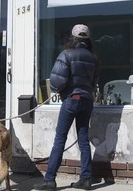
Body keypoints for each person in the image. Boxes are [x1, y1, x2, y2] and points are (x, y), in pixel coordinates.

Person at [34, 24, 99, 190]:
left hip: (71, 99)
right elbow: (94, 82)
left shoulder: (66, 54)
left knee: (60, 140)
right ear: (87, 39)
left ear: (73, 37)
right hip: (87, 100)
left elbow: (57, 81)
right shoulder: (93, 57)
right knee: (83, 139)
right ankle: (86, 179)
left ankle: (49, 180)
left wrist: (59, 90)